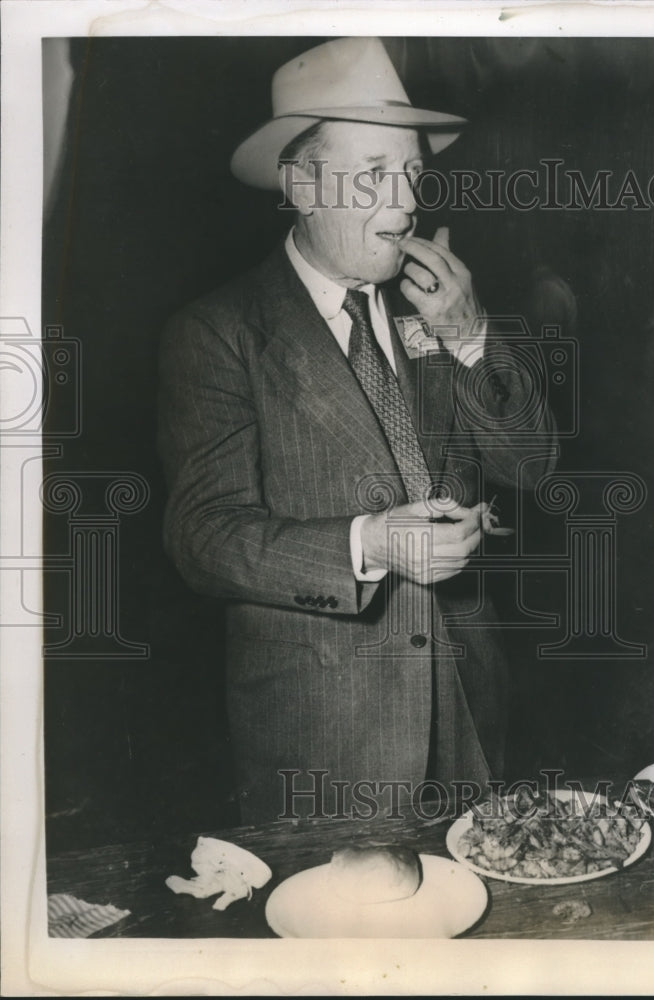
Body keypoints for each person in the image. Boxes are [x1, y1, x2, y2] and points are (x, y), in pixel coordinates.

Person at [158, 37, 556, 822]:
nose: (405, 206)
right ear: (302, 184)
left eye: (410, 173)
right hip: (324, 737)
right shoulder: (218, 332)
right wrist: (369, 541)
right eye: (371, 176)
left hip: (469, 707)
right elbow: (203, 537)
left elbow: (533, 467)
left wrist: (471, 336)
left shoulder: (436, 310)